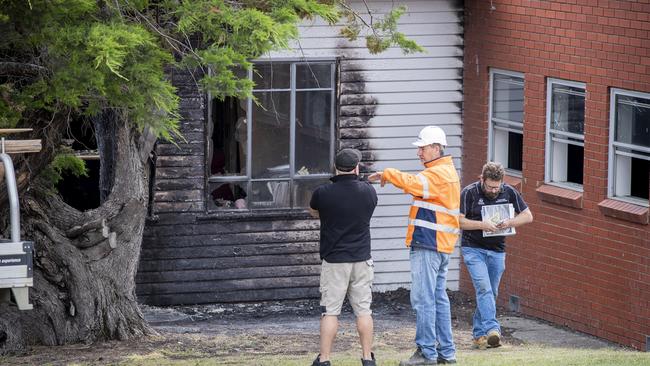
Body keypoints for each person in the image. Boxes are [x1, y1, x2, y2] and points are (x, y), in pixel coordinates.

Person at [368, 126, 459, 365]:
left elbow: (412, 183)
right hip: (438, 245)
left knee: (423, 299)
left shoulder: (437, 174)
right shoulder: (444, 171)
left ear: (436, 148)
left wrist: (387, 173)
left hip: (429, 245)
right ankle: (446, 353)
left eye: (422, 148)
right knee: (437, 298)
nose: (419, 152)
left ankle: (427, 352)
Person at [309, 148, 378, 366]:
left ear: (335, 167)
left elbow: (314, 212)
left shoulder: (322, 193)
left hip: (335, 260)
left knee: (330, 312)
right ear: (356, 167)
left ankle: (325, 359)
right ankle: (367, 358)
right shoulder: (368, 191)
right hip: (361, 259)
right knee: (364, 311)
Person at [459, 162, 533, 349]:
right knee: (484, 289)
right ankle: (493, 330)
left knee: (491, 292)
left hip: (497, 250)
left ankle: (478, 334)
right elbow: (458, 221)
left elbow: (528, 215)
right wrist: (482, 225)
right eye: (490, 186)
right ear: (482, 179)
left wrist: (511, 222)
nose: (493, 190)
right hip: (473, 248)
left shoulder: (508, 192)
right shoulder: (469, 193)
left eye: (497, 186)